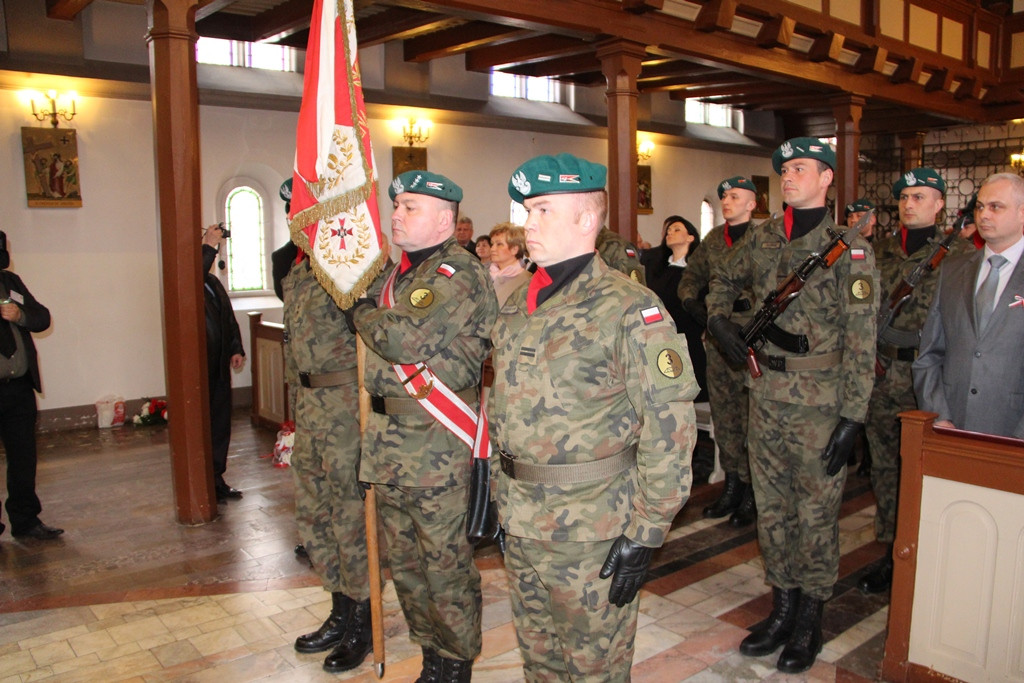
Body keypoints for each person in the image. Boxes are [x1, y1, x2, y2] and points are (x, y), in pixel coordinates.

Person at [491, 153, 699, 681]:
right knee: (540, 662)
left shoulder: (631, 308)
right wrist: (498, 498)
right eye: (526, 211)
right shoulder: (517, 305)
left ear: (587, 218)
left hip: (593, 530)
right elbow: (505, 410)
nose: (527, 224)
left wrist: (648, 529)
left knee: (593, 670)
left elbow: (670, 429)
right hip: (522, 519)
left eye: (542, 211)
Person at [705, 138, 877, 674]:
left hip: (820, 403)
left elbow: (863, 338)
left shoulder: (849, 249)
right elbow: (720, 281)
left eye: (802, 168)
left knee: (817, 513)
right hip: (766, 395)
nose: (789, 177)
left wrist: (853, 416)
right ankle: (781, 608)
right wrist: (719, 322)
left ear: (827, 179)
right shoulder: (759, 238)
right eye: (784, 170)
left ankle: (809, 620)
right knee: (774, 509)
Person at [347, 170, 497, 682]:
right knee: (407, 567)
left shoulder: (458, 273)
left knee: (444, 566)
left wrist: (363, 312)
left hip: (437, 447)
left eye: (410, 207)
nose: (396, 215)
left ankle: (455, 665)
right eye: (397, 206)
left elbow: (404, 341)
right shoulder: (395, 276)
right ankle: (431, 654)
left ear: (445, 219)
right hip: (390, 446)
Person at [860, 168, 973, 596]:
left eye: (921, 197)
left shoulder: (961, 256)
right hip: (884, 373)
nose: (910, 204)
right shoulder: (879, 251)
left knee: (930, 470)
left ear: (940, 203)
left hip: (933, 380)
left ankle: (931, 553)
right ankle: (891, 551)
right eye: (905, 197)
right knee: (887, 469)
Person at [276, 185, 373, 672]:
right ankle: (339, 607)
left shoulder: (346, 262)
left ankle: (364, 619)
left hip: (342, 406)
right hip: (310, 404)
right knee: (314, 514)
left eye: (299, 209)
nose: (293, 217)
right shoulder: (298, 266)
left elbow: (372, 332)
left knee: (349, 515)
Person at [914, 172, 1024, 440]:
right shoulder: (953, 270)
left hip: (1013, 432)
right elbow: (929, 354)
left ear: (1022, 213)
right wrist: (938, 414)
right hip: (953, 427)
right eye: (980, 207)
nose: (984, 215)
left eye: (996, 207)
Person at [679, 176, 759, 527]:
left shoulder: (765, 240)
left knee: (753, 419)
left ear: (752, 203)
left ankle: (755, 490)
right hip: (716, 338)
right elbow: (689, 279)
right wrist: (696, 308)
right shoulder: (713, 240)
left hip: (751, 336)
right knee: (724, 418)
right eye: (723, 195)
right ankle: (734, 484)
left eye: (735, 196)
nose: (727, 200)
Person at [0, 231, 62, 541]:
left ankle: (26, 521)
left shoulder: (11, 283)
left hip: (19, 389)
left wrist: (20, 314)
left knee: (23, 457)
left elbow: (43, 317)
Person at [201, 224, 246, 502]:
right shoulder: (188, 280)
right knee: (204, 426)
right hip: (200, 370)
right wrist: (209, 246)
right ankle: (203, 480)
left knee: (220, 426)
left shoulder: (213, 283)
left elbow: (227, 319)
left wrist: (236, 347)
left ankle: (217, 478)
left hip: (218, 369)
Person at [644, 215, 707, 402]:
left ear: (691, 237)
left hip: (688, 338)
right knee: (667, 397)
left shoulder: (699, 271)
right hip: (661, 338)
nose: (670, 233)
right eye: (668, 231)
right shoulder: (657, 268)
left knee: (688, 396)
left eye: (677, 229)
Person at [488, 222, 530, 307]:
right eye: (492, 244)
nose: (492, 249)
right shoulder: (486, 274)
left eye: (499, 244)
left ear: (514, 249)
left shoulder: (526, 280)